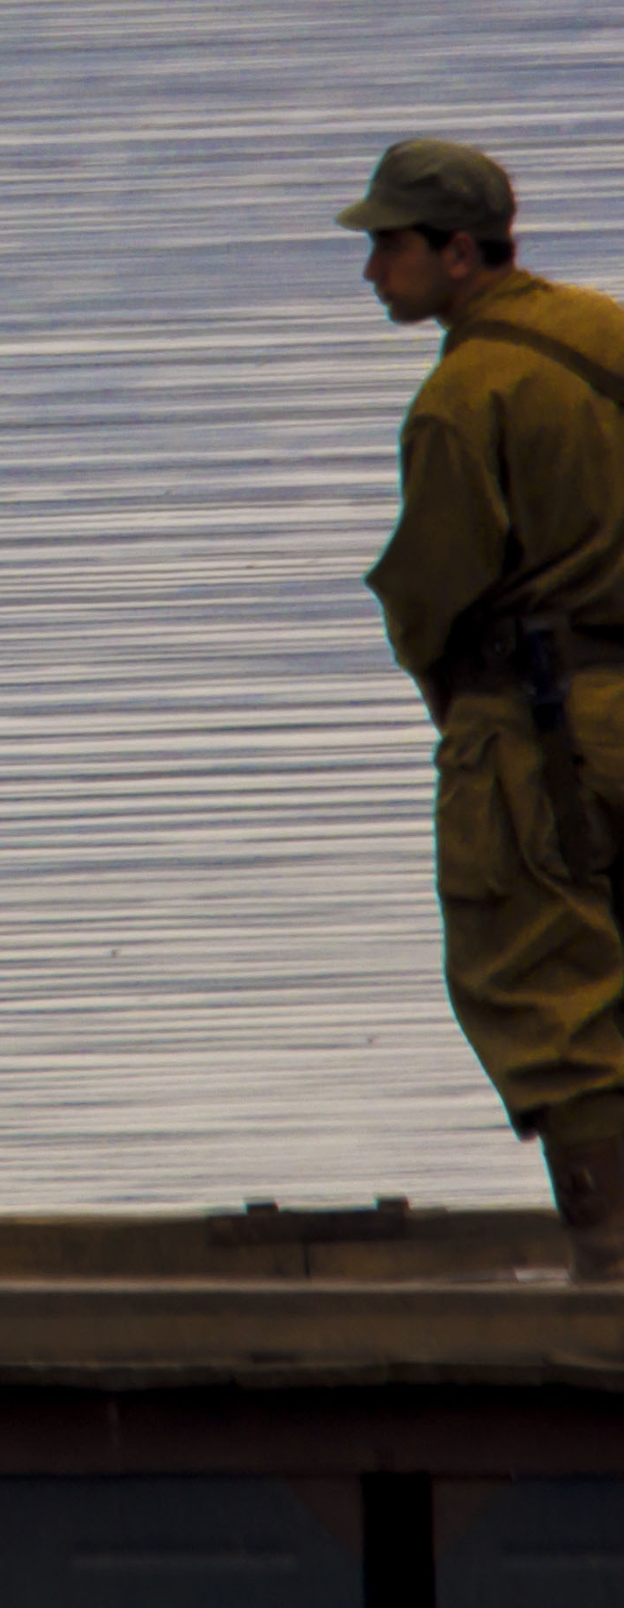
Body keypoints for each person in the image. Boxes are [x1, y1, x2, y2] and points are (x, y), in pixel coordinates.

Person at [352, 136, 624, 1278]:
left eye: (388, 246)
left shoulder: (460, 398)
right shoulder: (606, 333)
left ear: (456, 253)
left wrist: (448, 703)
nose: (371, 272)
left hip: (538, 726)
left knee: (539, 976)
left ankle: (610, 1252)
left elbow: (428, 594)